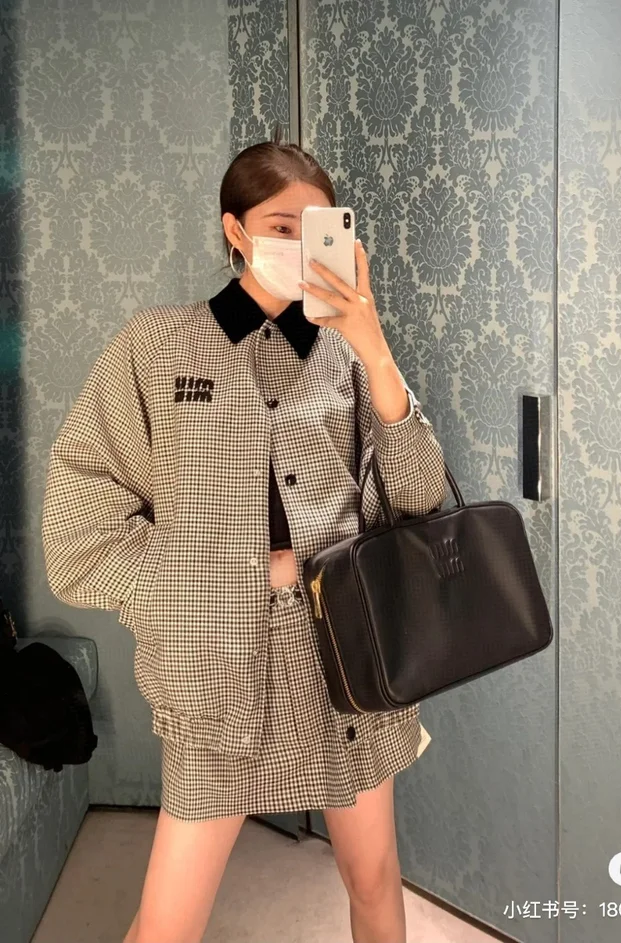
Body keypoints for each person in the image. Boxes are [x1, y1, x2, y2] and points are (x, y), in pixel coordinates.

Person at [41, 124, 447, 943]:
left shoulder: (345, 352)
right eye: (279, 227)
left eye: (316, 228)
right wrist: (239, 578)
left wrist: (374, 346)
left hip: (345, 656)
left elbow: (418, 493)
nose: (298, 246)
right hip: (212, 663)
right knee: (166, 924)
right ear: (235, 229)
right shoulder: (155, 346)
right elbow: (80, 528)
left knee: (373, 878)